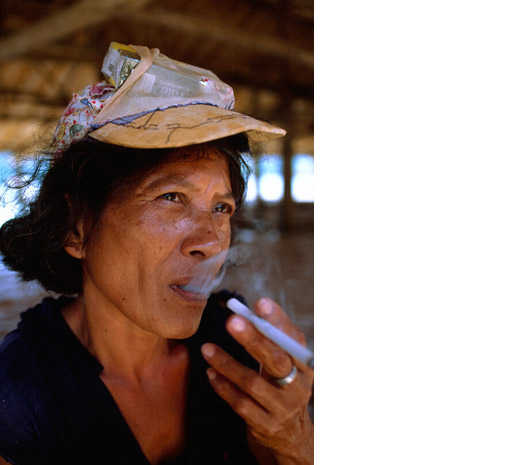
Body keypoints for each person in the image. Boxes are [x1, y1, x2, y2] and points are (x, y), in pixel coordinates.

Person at [0, 43, 313, 465]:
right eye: (170, 196)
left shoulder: (242, 360)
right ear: (76, 228)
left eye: (221, 208)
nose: (211, 241)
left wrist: (292, 439)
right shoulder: (19, 395)